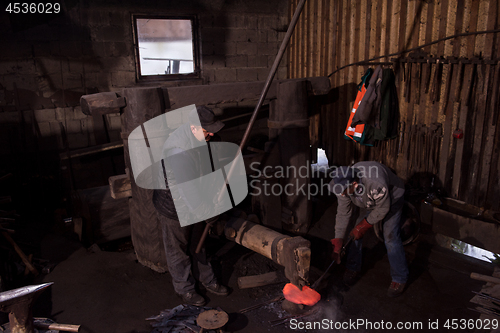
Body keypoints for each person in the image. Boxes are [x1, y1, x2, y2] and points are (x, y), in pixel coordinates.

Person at [152, 105, 229, 306]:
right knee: (177, 251)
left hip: (193, 199)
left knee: (200, 244)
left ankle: (208, 280)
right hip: (173, 206)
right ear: (193, 127)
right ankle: (184, 289)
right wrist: (209, 213)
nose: (211, 133)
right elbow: (189, 193)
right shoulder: (178, 151)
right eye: (207, 130)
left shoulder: (198, 138)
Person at [328, 161, 409, 297]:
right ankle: (353, 267)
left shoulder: (375, 182)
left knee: (390, 237)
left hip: (392, 198)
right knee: (354, 233)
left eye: (343, 191)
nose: (341, 195)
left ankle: (399, 278)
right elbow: (343, 213)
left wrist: (364, 225)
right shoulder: (342, 184)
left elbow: (383, 208)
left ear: (354, 184)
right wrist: (338, 240)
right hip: (369, 200)